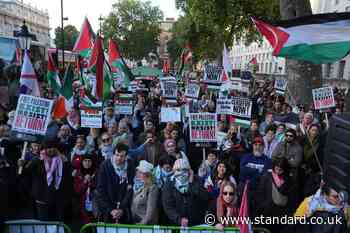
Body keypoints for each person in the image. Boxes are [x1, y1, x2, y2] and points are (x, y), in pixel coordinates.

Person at [20, 141, 73, 221]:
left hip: (58, 198)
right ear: (44, 149)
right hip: (41, 197)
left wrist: (66, 162)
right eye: (48, 148)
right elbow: (25, 173)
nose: (51, 150)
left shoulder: (63, 160)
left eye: (53, 147)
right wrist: (21, 165)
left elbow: (69, 176)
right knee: (43, 223)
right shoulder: (37, 160)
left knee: (57, 224)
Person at [253, 157, 296, 233]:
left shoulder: (289, 180)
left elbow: (292, 198)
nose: (278, 171)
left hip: (281, 214)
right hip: (266, 212)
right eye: (276, 168)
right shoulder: (267, 176)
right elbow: (260, 193)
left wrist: (289, 214)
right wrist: (262, 207)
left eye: (281, 169)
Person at [162, 159, 209, 226]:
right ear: (174, 171)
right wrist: (179, 219)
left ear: (189, 171)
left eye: (184, 170)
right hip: (176, 224)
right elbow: (168, 206)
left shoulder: (197, 180)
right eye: (178, 170)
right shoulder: (169, 183)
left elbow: (205, 197)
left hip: (196, 223)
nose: (181, 172)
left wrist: (191, 183)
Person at [95, 143, 135, 223]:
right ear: (113, 154)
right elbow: (101, 190)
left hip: (124, 208)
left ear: (126, 157)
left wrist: (122, 209)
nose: (119, 158)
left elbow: (130, 188)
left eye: (122, 156)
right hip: (108, 208)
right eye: (117, 155)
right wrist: (111, 210)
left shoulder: (130, 165)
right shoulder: (105, 165)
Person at [73, 154, 97, 224]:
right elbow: (77, 191)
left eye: (89, 161)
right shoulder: (77, 173)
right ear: (82, 162)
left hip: (94, 205)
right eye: (85, 161)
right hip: (81, 207)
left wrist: (91, 181)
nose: (87, 163)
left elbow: (99, 187)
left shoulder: (97, 172)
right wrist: (84, 182)